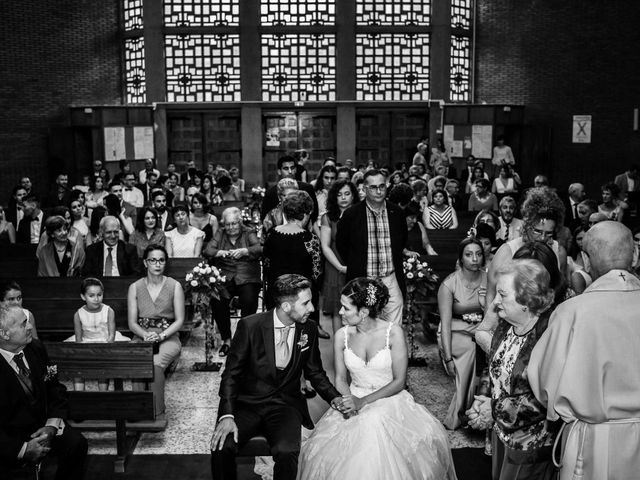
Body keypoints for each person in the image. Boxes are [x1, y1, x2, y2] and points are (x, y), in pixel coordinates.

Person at [298, 278, 457, 480]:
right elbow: (340, 378)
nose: (339, 312)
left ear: (363, 312)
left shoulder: (394, 334)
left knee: (373, 432)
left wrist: (363, 402)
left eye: (346, 308)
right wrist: (349, 402)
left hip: (389, 399)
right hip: (353, 395)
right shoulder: (341, 335)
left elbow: (399, 381)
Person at [527, 221, 640, 480]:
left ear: (586, 261)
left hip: (595, 443)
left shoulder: (572, 312)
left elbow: (545, 382)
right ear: (635, 255)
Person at [210, 274, 342, 480]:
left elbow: (315, 372)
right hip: (247, 404)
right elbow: (231, 375)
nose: (312, 309)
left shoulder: (308, 328)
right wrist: (227, 415)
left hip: (285, 405)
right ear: (287, 306)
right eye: (306, 303)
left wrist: (335, 397)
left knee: (287, 451)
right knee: (222, 447)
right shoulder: (249, 326)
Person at [466, 259, 558, 480]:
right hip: (501, 433)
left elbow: (545, 399)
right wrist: (482, 401)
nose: (496, 302)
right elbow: (494, 366)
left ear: (527, 299)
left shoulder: (547, 335)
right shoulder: (507, 324)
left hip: (529, 444)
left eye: (503, 295)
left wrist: (493, 409)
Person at [0, 304, 87, 479]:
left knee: (76, 444)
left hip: (43, 424)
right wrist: (23, 449)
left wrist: (51, 426)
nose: (30, 326)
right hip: (10, 436)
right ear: (4, 334)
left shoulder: (35, 348)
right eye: (24, 324)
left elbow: (56, 389)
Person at [336, 169, 408, 325]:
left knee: (394, 327)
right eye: (373, 187)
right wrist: (355, 263)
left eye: (382, 186)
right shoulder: (351, 215)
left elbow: (401, 242)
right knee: (361, 325)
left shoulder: (396, 212)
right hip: (363, 279)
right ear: (364, 189)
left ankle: (390, 350)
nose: (379, 191)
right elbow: (341, 244)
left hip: (390, 278)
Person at [127, 244, 184, 418]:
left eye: (161, 260)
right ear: (145, 263)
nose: (157, 264)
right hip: (141, 335)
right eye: (153, 260)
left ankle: (157, 411)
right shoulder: (135, 287)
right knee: (136, 362)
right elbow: (131, 322)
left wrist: (160, 336)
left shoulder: (174, 286)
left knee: (156, 363)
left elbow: (180, 320)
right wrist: (145, 335)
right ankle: (139, 409)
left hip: (168, 336)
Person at [263, 191, 329, 341]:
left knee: (276, 339)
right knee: (303, 342)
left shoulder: (271, 235)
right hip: (302, 300)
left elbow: (266, 266)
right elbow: (317, 273)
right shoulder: (310, 239)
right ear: (307, 213)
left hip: (277, 297)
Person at [486, 186, 567, 304]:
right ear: (526, 226)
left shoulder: (559, 252)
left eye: (549, 233)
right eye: (537, 231)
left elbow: (559, 296)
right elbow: (491, 296)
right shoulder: (507, 252)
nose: (543, 238)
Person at [437, 237, 487, 429]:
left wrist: (485, 306)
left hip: (482, 328)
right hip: (456, 331)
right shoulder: (449, 284)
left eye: (478, 254)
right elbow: (445, 323)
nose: (474, 259)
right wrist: (447, 357)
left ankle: (481, 410)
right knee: (470, 351)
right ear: (461, 258)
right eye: (469, 254)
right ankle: (459, 416)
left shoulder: (489, 278)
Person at [203, 207, 262, 357]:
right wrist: (219, 252)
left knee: (249, 300)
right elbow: (208, 250)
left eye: (234, 224)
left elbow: (259, 248)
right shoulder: (220, 233)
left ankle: (243, 340)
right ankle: (227, 340)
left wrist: (245, 251)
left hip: (247, 275)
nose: (231, 227)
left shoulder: (248, 232)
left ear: (240, 222)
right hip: (226, 276)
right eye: (228, 224)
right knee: (217, 300)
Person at [65, 278, 129, 391]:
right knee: (77, 363)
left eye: (99, 295)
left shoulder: (109, 311)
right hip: (86, 343)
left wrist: (103, 351)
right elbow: (78, 339)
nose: (96, 299)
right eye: (91, 295)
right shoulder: (78, 314)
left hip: (105, 342)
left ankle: (103, 392)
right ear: (83, 297)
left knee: (103, 365)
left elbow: (111, 336)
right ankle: (79, 393)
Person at [319, 180, 359, 333]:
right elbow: (325, 246)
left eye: (347, 194)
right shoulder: (328, 217)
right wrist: (340, 267)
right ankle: (339, 351)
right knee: (338, 309)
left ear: (353, 196)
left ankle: (355, 351)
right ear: (333, 198)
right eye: (339, 194)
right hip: (335, 265)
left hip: (356, 263)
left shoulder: (360, 215)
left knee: (357, 306)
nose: (343, 198)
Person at [261, 155, 319, 224]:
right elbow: (264, 217)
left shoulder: (307, 188)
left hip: (303, 230)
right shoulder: (271, 193)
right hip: (278, 231)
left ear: (296, 169)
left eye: (292, 168)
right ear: (279, 171)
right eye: (286, 168)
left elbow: (314, 213)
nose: (290, 171)